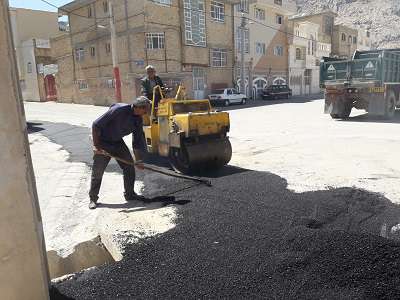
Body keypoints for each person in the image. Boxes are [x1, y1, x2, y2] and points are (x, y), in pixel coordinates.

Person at [88, 96, 151, 209]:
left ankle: (130, 194)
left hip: (117, 142)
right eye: (145, 110)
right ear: (138, 107)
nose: (146, 113)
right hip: (103, 141)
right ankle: (93, 199)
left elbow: (137, 141)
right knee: (98, 171)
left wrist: (138, 160)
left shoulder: (138, 119)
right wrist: (96, 146)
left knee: (129, 167)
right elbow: (96, 125)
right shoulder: (119, 110)